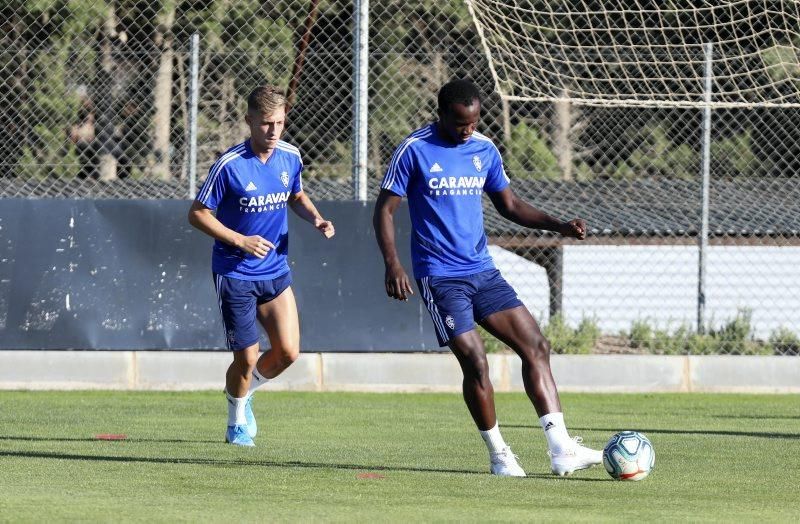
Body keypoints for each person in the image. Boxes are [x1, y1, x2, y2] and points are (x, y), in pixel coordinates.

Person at [372, 79, 602, 477]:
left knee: (536, 346)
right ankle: (499, 454)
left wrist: (558, 225)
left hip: (483, 272)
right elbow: (385, 211)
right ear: (441, 114)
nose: (468, 130)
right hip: (441, 277)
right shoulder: (414, 150)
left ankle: (561, 447)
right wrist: (393, 264)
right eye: (460, 123)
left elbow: (509, 204)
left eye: (474, 122)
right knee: (476, 362)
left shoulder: (484, 149)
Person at [188, 84, 334, 447]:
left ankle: (243, 391)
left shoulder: (289, 157)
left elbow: (296, 196)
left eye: (280, 123)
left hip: (275, 271)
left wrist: (315, 218)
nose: (273, 131)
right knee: (247, 356)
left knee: (288, 352)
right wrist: (240, 240)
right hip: (235, 273)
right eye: (266, 123)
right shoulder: (230, 165)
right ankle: (235, 421)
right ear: (249, 121)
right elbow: (197, 214)